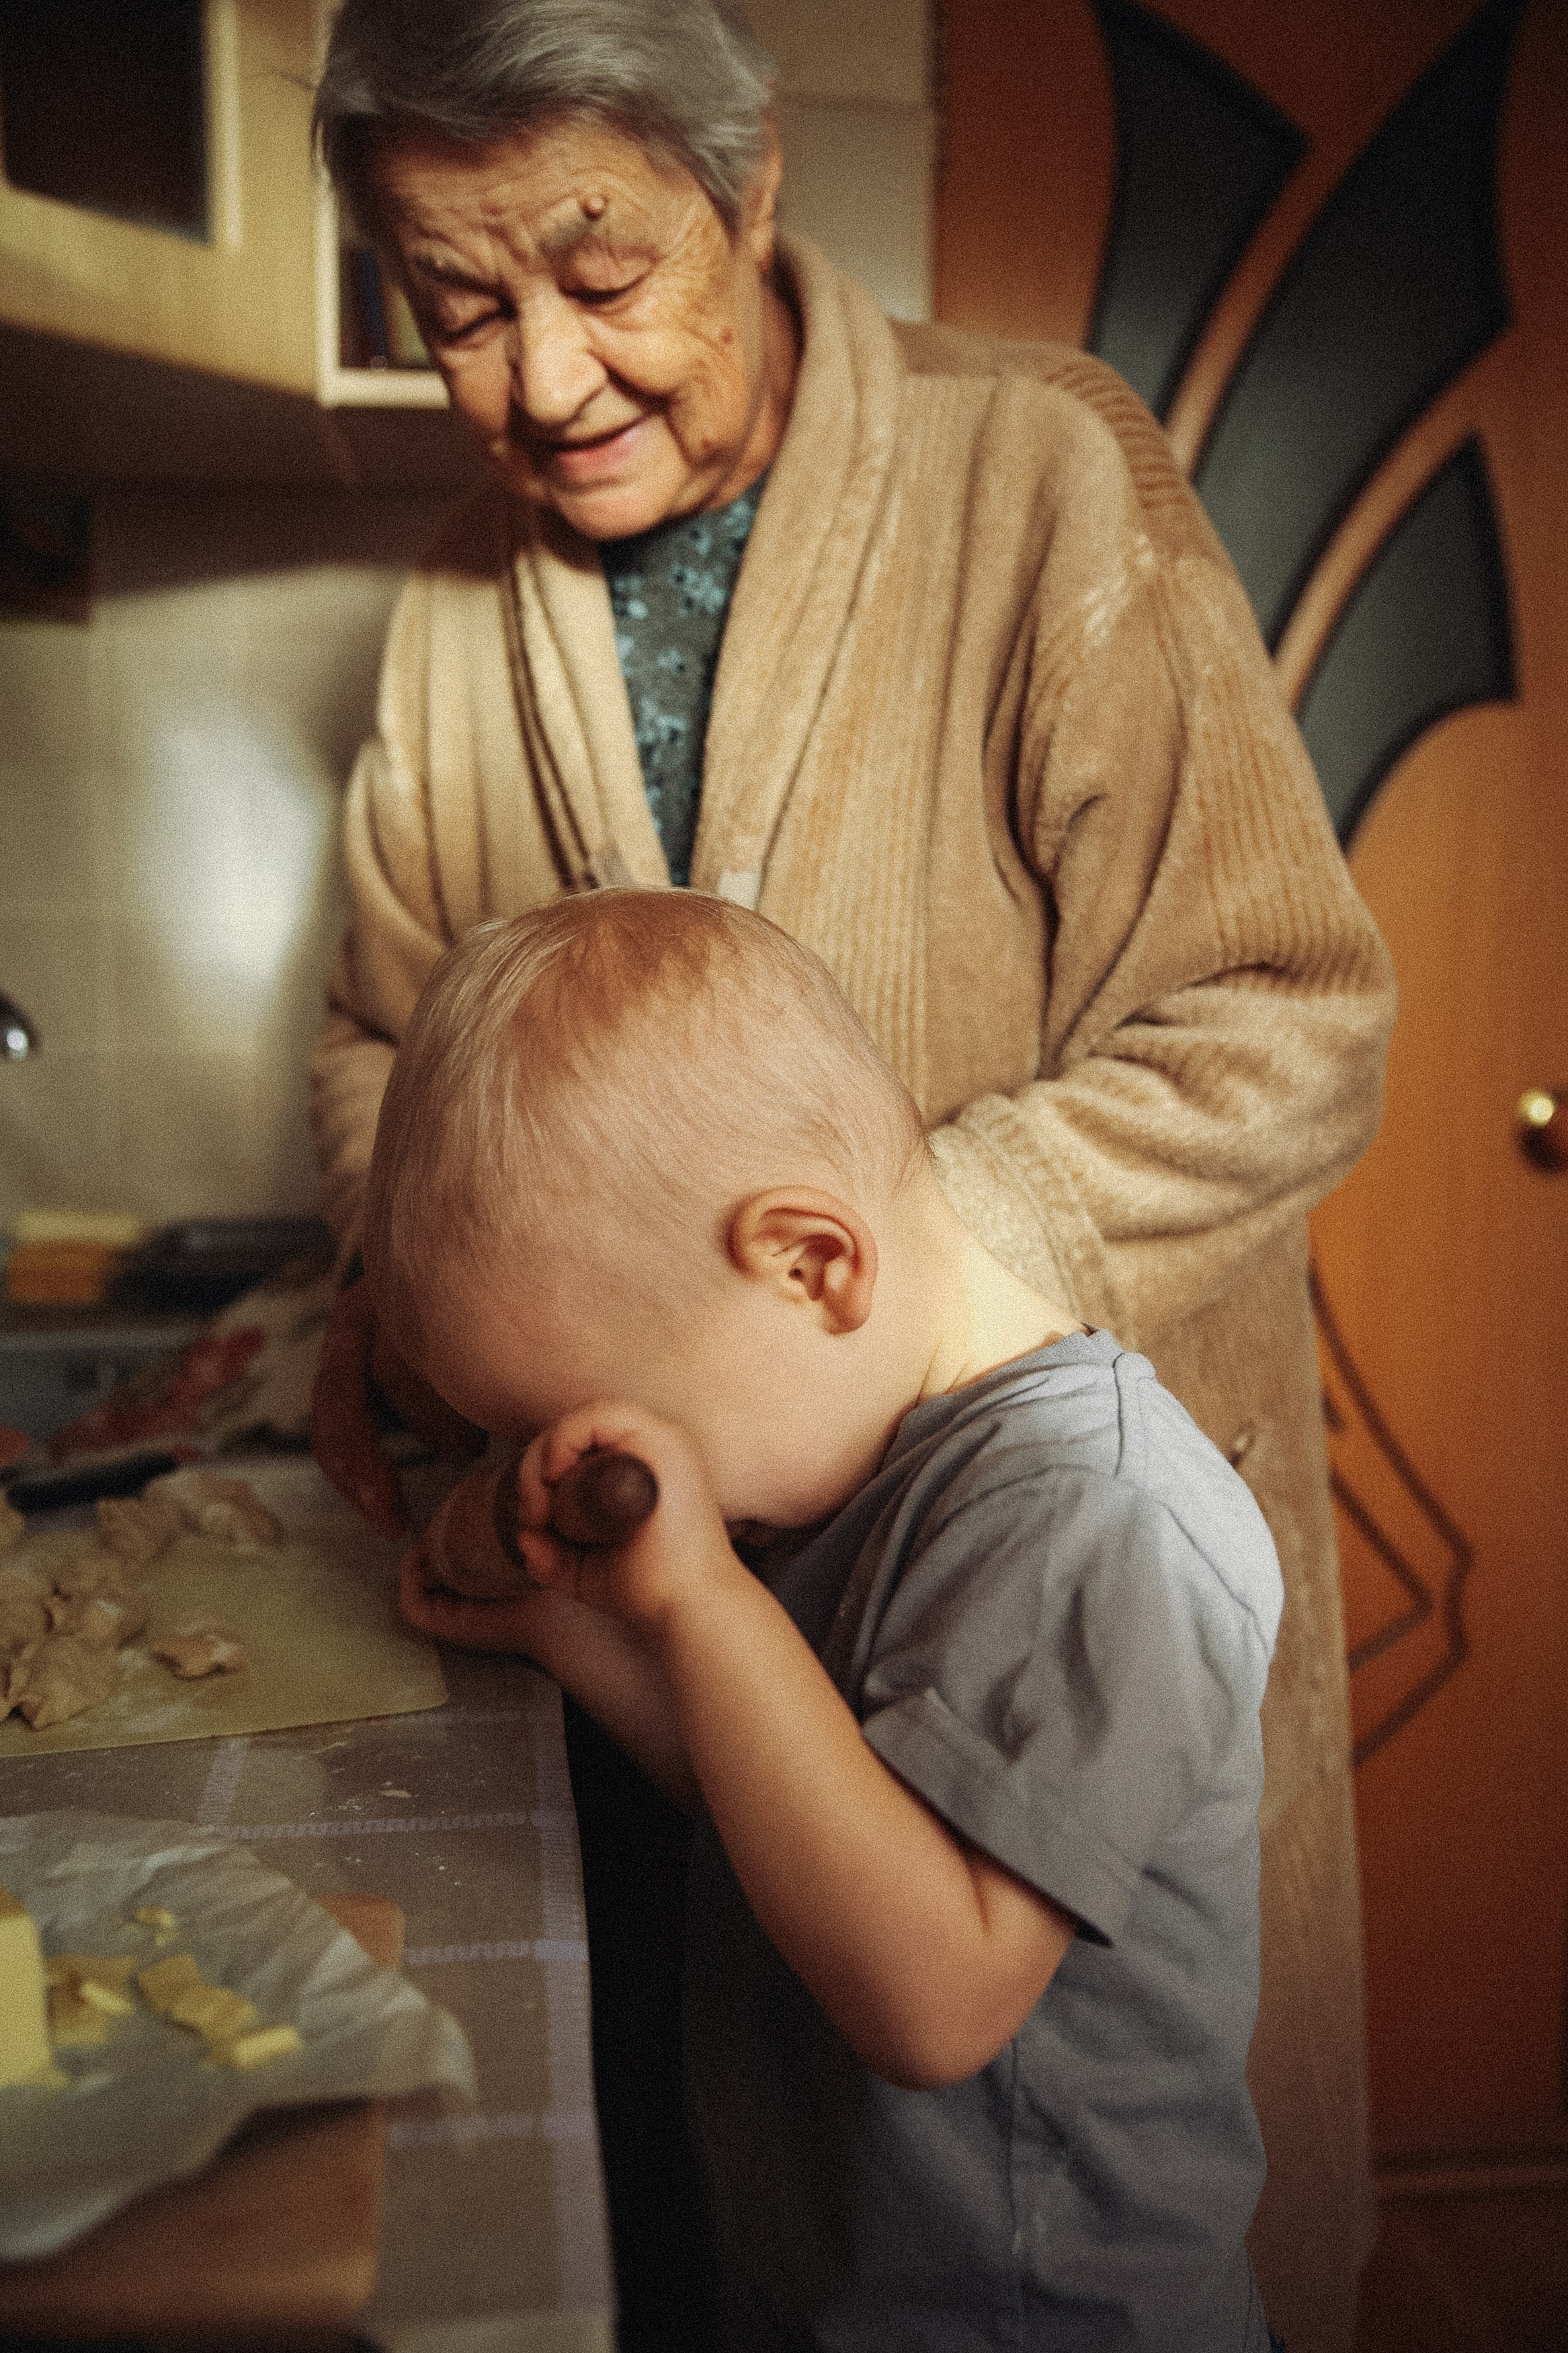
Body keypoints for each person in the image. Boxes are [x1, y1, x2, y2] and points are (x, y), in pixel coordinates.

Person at [306, 5, 1397, 2345]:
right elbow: (377, 1052)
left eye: (601, 275)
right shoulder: (442, 613)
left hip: (1018, 1586)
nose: (547, 378)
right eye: (457, 309)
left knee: (1058, 2177)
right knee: (763, 2205)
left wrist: (890, 1286)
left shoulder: (1045, 478)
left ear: (755, 190)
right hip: (700, 1623)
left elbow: (1287, 1011)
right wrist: (427, 1337)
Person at [364, 888, 1288, 2352]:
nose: (577, 1472)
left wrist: (702, 1601)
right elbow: (782, 1796)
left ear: (812, 1266)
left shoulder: (1097, 1523)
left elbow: (936, 1995)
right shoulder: (847, 1456)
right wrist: (576, 1634)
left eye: (584, 1427)